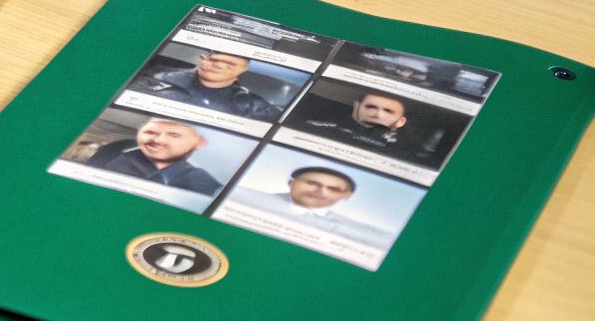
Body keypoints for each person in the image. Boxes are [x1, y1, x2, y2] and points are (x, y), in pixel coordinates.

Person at [227, 166, 394, 249]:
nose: (321, 191)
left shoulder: (366, 234)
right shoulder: (238, 196)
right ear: (291, 183)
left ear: (346, 195)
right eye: (312, 183)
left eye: (333, 189)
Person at [83, 117, 222, 195]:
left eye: (173, 135)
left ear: (198, 143)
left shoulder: (198, 180)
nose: (158, 140)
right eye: (150, 132)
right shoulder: (120, 149)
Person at [134, 51, 284, 120]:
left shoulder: (253, 105)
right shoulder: (158, 75)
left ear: (243, 71)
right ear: (203, 58)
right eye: (213, 59)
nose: (217, 66)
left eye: (229, 64)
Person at [293, 91, 418, 159]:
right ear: (358, 107)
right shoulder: (334, 124)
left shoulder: (406, 149)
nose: (378, 115)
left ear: (401, 121)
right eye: (371, 107)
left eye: (388, 111)